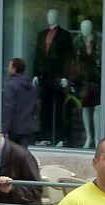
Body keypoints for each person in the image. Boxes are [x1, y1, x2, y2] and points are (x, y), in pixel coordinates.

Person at [33, 8, 72, 146]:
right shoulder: (42, 34)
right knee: (45, 108)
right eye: (49, 15)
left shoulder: (65, 35)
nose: (50, 18)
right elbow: (38, 55)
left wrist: (66, 76)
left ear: (57, 17)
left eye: (53, 15)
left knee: (59, 107)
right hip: (44, 75)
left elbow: (68, 57)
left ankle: (60, 137)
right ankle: (46, 137)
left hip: (58, 75)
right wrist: (35, 74)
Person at [2, 58, 38, 148]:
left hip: (13, 129)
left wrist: (4, 130)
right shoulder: (32, 87)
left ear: (14, 68)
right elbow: (35, 107)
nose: (8, 69)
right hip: (26, 128)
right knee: (23, 154)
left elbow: (8, 108)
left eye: (10, 66)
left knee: (12, 154)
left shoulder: (11, 85)